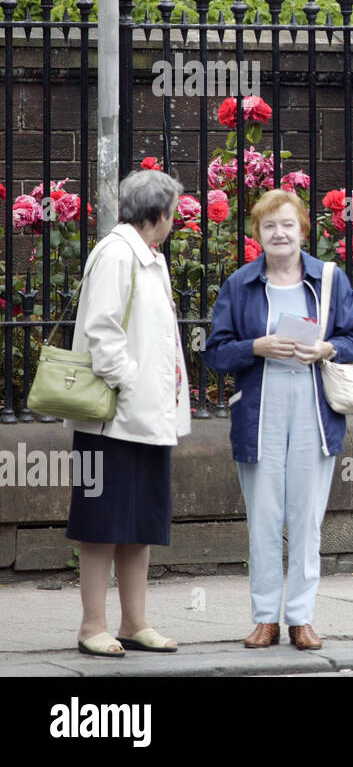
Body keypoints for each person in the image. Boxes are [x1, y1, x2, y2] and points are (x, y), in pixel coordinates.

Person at [205, 189, 353, 650]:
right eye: (270, 225)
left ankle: (300, 617)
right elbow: (215, 352)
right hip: (261, 404)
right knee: (264, 516)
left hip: (314, 404)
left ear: (302, 231)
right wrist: (256, 347)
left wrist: (326, 348)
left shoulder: (330, 280)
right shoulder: (240, 284)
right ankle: (264, 618)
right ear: (257, 234)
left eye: (288, 224)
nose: (279, 233)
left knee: (306, 517)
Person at [65, 169, 191, 657]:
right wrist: (133, 383)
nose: (175, 222)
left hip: (146, 418)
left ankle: (134, 622)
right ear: (157, 214)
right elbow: (102, 331)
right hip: (111, 419)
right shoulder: (118, 254)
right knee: (101, 524)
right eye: (172, 213)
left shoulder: (147, 258)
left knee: (140, 523)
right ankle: (91, 625)